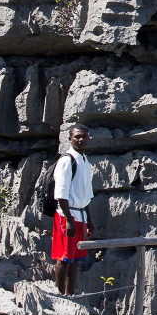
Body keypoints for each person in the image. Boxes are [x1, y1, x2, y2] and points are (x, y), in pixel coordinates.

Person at [53, 123, 95, 295]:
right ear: (70, 138)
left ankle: (70, 293)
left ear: (88, 138)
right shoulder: (66, 160)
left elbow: (86, 195)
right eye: (77, 136)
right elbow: (61, 193)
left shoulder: (85, 161)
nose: (80, 139)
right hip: (67, 215)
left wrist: (89, 221)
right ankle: (60, 295)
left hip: (80, 215)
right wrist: (69, 219)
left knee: (76, 258)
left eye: (83, 136)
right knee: (64, 257)